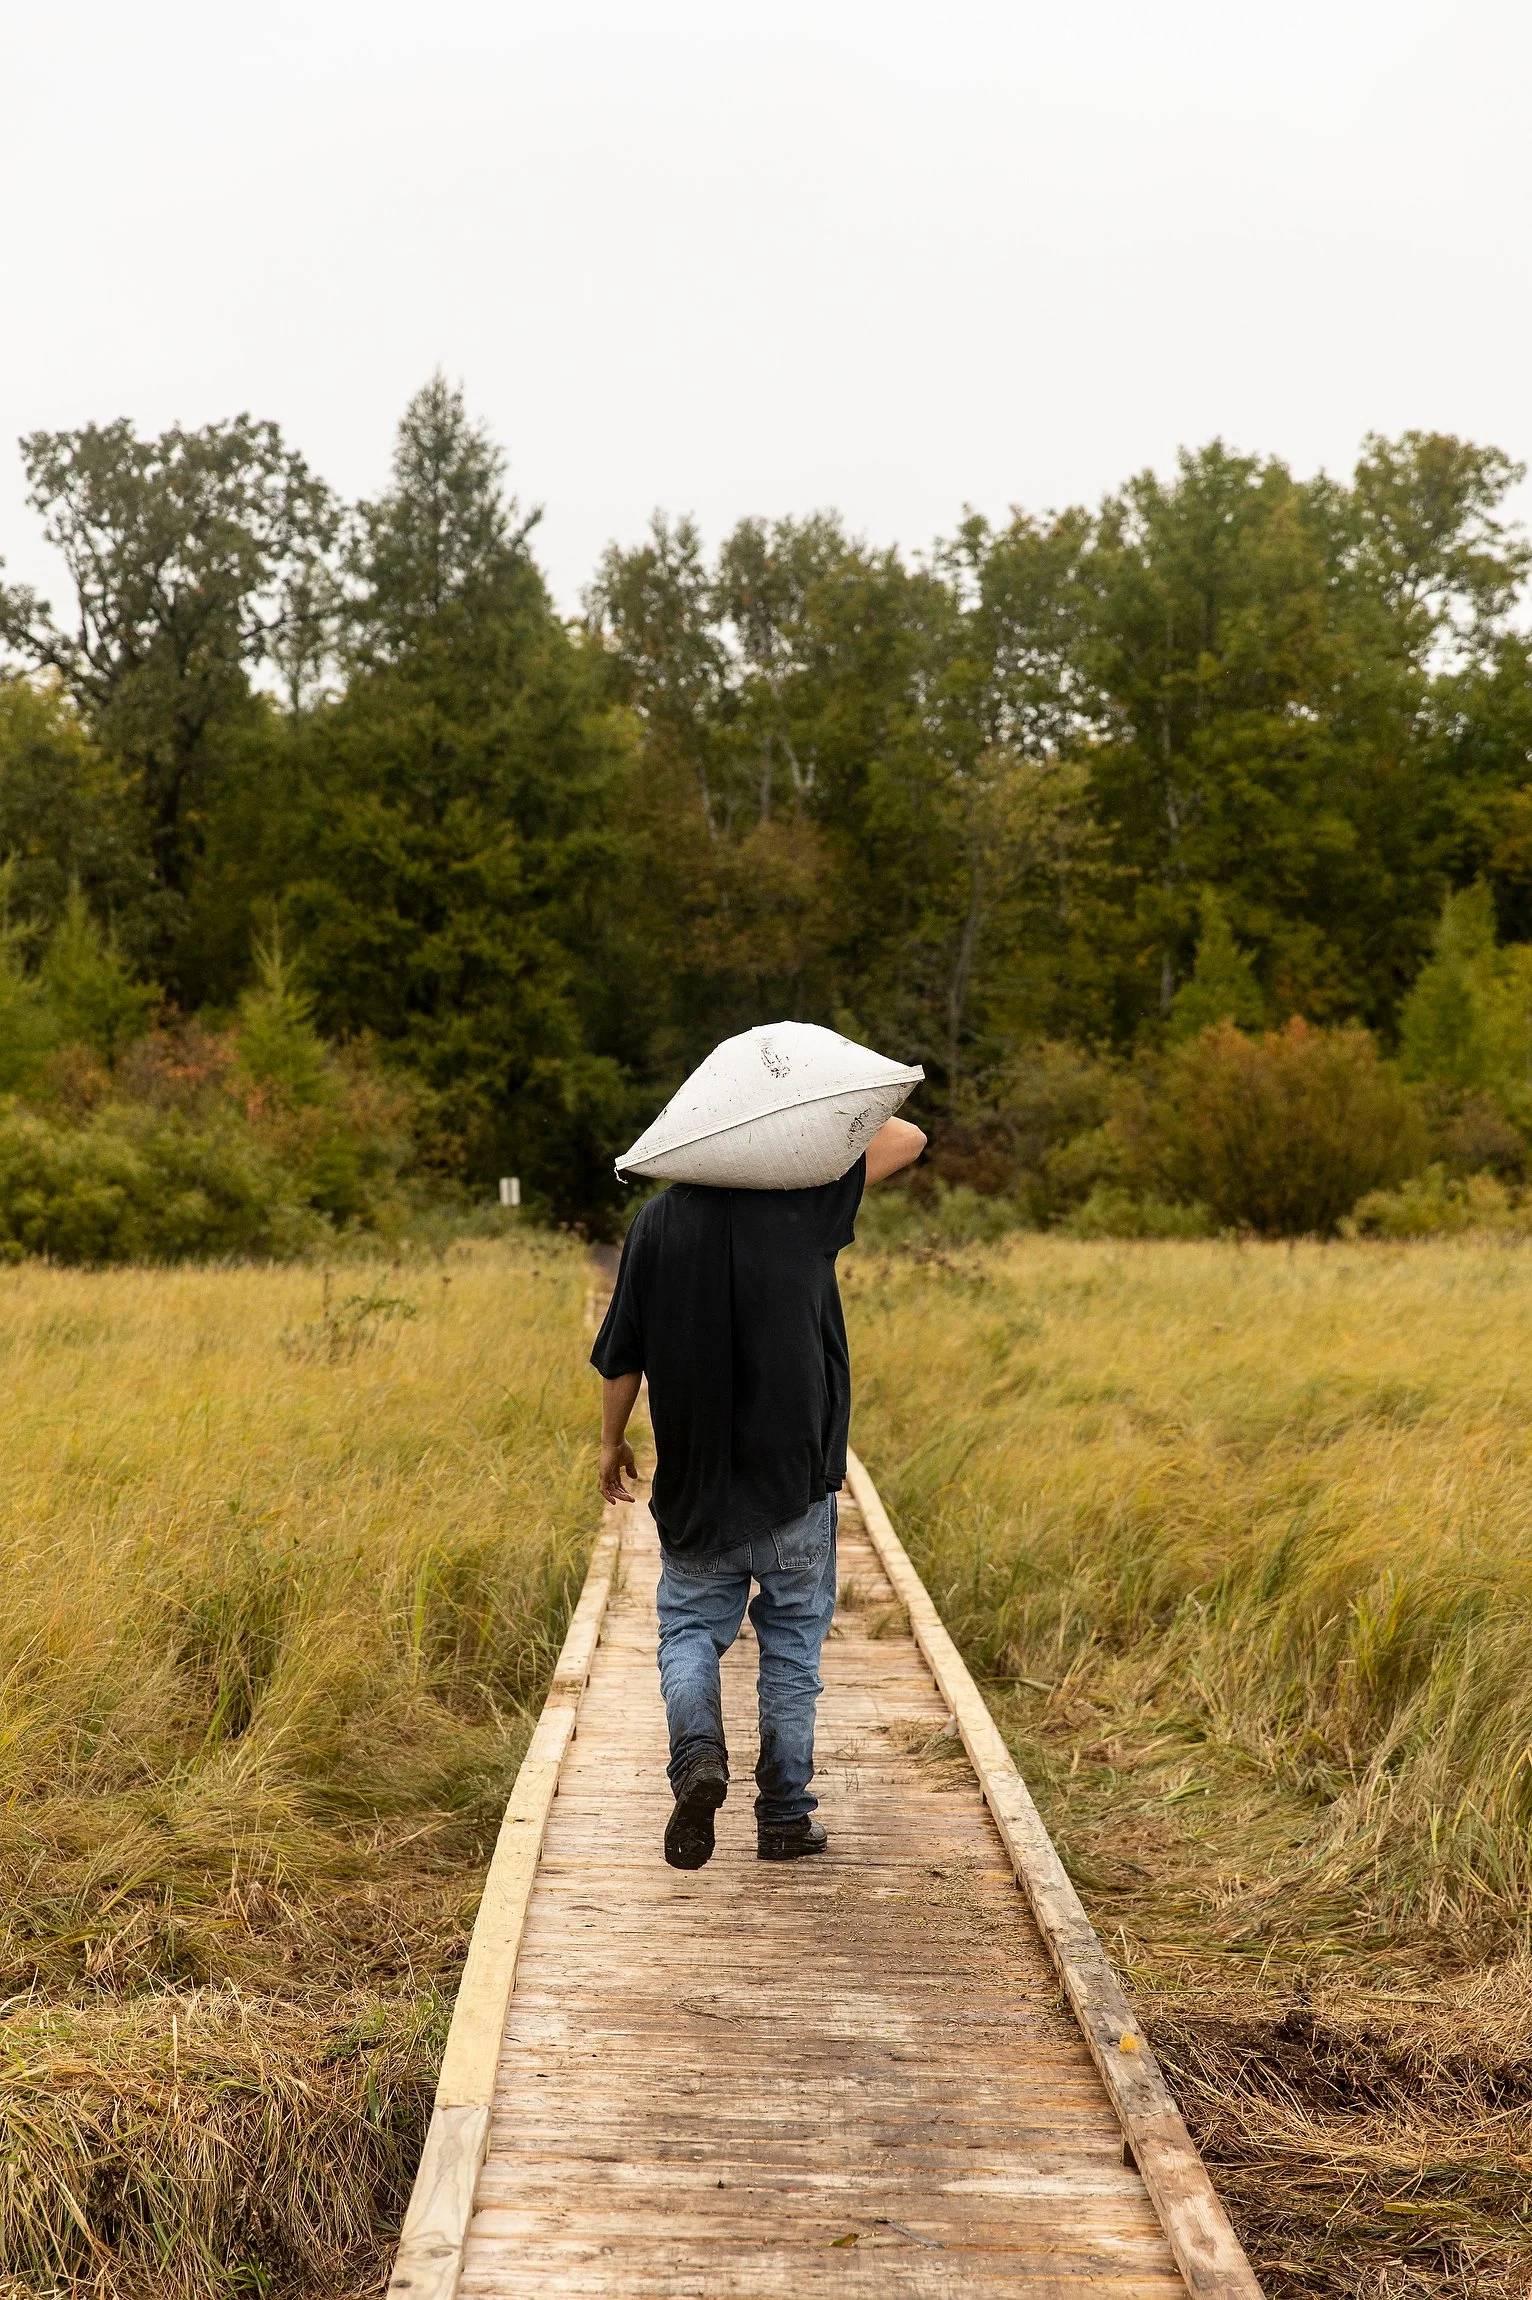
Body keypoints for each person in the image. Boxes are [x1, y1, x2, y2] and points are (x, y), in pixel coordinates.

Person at [591, 1115, 927, 1869]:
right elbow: (907, 1139)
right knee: (791, 1654)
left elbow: (623, 1354)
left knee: (686, 1633)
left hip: (696, 1487)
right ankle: (782, 1818)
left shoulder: (655, 1224)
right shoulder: (806, 1203)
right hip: (794, 1483)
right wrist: (814, 1110)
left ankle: (699, 1758)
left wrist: (612, 1442)